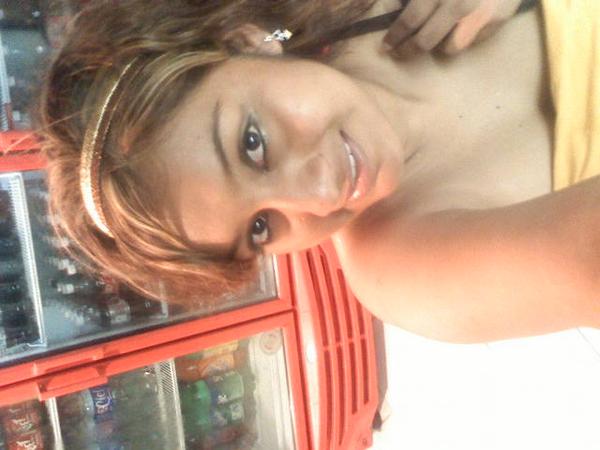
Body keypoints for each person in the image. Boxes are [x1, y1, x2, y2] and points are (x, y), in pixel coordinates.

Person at [37, 0, 600, 343]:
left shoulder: (360, 11)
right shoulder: (403, 268)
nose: (321, 194)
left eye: (253, 144)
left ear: (244, 41)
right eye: (262, 228)